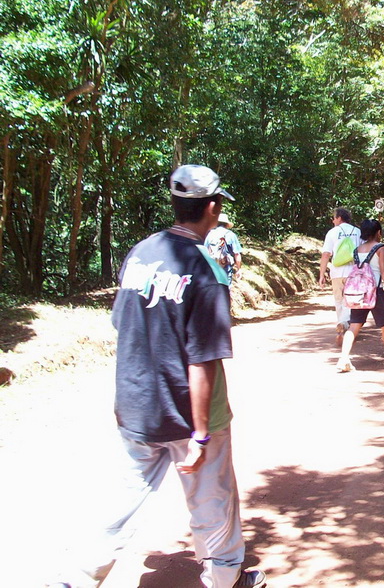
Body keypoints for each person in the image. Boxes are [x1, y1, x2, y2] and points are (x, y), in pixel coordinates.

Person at [49, 165, 265, 588]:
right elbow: (203, 359)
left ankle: (76, 577)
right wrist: (200, 434)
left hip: (136, 404)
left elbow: (123, 324)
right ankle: (225, 577)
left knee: (123, 497)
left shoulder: (140, 253)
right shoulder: (207, 270)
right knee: (213, 499)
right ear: (213, 207)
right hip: (190, 414)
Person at [336, 219, 384, 373]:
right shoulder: (381, 248)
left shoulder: (357, 250)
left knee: (354, 325)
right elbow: (383, 270)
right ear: (378, 232)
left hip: (359, 293)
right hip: (376, 291)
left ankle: (343, 359)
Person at [319, 208, 361, 345]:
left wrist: (321, 274)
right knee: (351, 300)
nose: (333, 221)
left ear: (339, 218)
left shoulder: (332, 232)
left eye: (334, 218)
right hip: (353, 271)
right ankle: (346, 325)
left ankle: (341, 324)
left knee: (338, 299)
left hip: (337, 272)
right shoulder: (357, 231)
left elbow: (326, 254)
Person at [205, 212, 243, 284]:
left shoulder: (210, 234)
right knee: (225, 287)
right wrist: (238, 269)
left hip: (211, 266)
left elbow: (204, 250)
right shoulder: (231, 235)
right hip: (225, 267)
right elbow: (237, 254)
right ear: (226, 224)